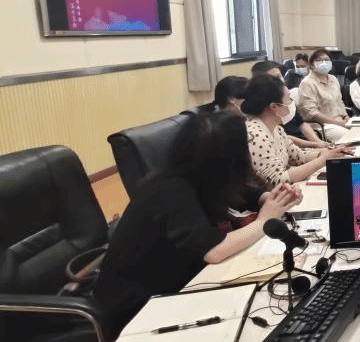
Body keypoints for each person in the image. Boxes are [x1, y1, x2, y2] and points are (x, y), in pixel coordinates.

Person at [92, 111, 303, 335]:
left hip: (181, 279)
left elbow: (239, 191)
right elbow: (213, 251)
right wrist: (265, 219)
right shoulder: (170, 190)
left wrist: (269, 198)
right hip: (137, 306)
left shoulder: (196, 173)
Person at [242, 74, 351, 190]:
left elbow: (299, 157)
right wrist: (322, 160)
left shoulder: (276, 129)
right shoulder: (255, 135)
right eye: (288, 99)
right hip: (271, 197)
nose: (292, 103)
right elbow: (277, 180)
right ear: (273, 107)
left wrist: (326, 153)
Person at [298, 48, 349, 142]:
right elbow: (311, 113)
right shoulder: (307, 83)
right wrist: (337, 123)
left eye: (326, 60)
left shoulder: (333, 79)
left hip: (340, 122)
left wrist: (346, 117)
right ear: (311, 64)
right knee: (351, 137)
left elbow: (339, 102)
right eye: (319, 60)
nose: (324, 63)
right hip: (321, 125)